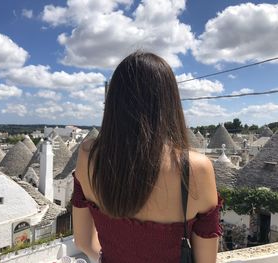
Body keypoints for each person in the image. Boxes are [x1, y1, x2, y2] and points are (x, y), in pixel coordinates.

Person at [72, 51, 222, 263]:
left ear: (114, 100)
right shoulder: (195, 169)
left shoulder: (88, 155)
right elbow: (206, 261)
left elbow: (84, 242)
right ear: (169, 101)